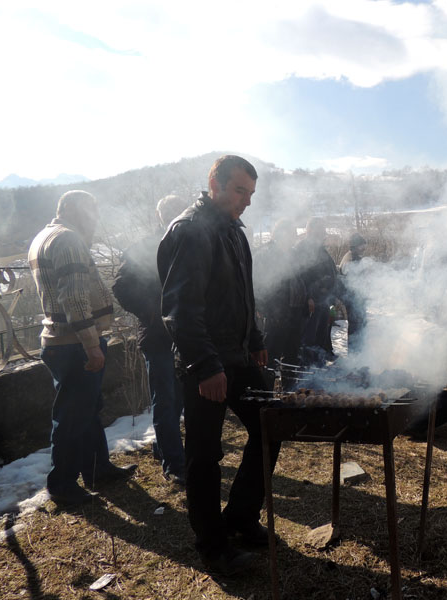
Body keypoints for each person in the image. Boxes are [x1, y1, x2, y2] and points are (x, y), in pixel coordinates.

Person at [157, 155, 279, 575]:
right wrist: (207, 367)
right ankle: (213, 547)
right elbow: (180, 309)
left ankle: (241, 519)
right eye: (238, 191)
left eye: (250, 194)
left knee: (269, 427)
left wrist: (257, 340)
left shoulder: (234, 231)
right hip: (204, 362)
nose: (245, 202)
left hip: (238, 355)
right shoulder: (190, 231)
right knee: (205, 456)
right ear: (215, 183)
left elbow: (243, 293)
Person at [29, 190, 137, 507]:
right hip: (74, 342)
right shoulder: (69, 240)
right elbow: (74, 298)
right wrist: (92, 345)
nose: (96, 219)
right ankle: (62, 485)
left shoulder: (44, 236)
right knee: (73, 417)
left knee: (87, 410)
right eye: (92, 211)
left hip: (60, 340)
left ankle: (97, 470)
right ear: (78, 211)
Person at [112, 194, 189, 485]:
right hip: (157, 338)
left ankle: (163, 447)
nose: (173, 215)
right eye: (168, 211)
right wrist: (152, 312)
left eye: (177, 210)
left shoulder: (188, 245)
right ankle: (175, 465)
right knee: (166, 401)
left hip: (185, 336)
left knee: (179, 397)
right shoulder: (143, 248)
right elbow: (120, 287)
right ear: (159, 216)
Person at [254, 218, 308, 366]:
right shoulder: (265, 254)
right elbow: (256, 286)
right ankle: (267, 387)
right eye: (291, 234)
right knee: (270, 358)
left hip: (294, 314)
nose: (294, 238)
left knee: (292, 357)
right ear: (280, 234)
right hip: (274, 317)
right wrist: (266, 311)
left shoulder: (294, 255)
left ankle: (289, 388)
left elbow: (301, 280)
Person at [295, 217, 338, 364]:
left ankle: (319, 373)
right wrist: (308, 296)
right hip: (310, 304)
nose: (323, 232)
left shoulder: (321, 249)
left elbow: (331, 273)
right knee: (309, 342)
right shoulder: (302, 249)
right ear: (310, 230)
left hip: (323, 302)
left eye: (324, 229)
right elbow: (299, 277)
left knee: (321, 340)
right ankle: (307, 375)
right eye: (320, 229)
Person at [339, 232, 368, 351]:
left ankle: (358, 353)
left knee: (359, 328)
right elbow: (350, 282)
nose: (364, 248)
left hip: (357, 301)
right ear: (355, 246)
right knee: (354, 330)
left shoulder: (355, 258)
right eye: (362, 246)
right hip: (350, 303)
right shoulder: (350, 259)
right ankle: (353, 357)